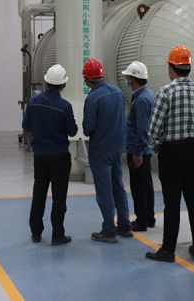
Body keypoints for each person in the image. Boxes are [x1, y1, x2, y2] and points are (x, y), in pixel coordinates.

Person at [145, 46, 194, 263]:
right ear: (189, 68)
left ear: (171, 68)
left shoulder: (165, 92)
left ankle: (167, 251)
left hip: (172, 152)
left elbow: (154, 128)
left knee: (171, 203)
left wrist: (157, 147)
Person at [22, 64, 78, 246]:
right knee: (59, 197)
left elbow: (26, 126)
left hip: (40, 156)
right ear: (63, 85)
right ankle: (57, 235)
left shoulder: (33, 102)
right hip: (60, 156)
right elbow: (72, 131)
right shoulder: (65, 106)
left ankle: (36, 232)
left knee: (39, 193)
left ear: (46, 82)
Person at [82, 58, 132, 243]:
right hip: (118, 147)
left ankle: (109, 230)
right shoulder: (118, 92)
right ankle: (125, 225)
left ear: (87, 79)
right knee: (118, 185)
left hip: (100, 150)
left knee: (104, 191)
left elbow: (88, 128)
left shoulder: (92, 98)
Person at [122, 61, 156, 232]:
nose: (127, 80)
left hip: (138, 150)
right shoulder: (147, 95)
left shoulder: (141, 99)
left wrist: (137, 152)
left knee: (139, 187)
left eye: (128, 77)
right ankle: (149, 217)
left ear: (133, 80)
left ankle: (141, 220)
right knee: (146, 184)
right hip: (144, 149)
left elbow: (143, 129)